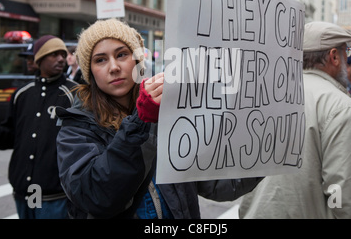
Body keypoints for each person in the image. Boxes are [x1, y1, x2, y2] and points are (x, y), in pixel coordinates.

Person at [55, 19, 261, 219]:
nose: (114, 67)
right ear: (89, 71)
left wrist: (265, 153)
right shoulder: (76, 129)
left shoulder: (170, 115)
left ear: (137, 60)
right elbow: (98, 197)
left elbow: (216, 184)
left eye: (122, 55)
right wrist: (141, 121)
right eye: (100, 59)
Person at [239, 22, 351, 219]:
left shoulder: (263, 98)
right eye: (346, 52)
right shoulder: (341, 107)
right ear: (333, 56)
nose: (346, 58)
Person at [0, 35, 77, 219]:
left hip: (55, 196)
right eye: (54, 54)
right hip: (23, 192)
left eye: (62, 54)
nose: (61, 58)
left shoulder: (74, 94)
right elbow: (10, 137)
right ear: (39, 59)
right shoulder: (22, 94)